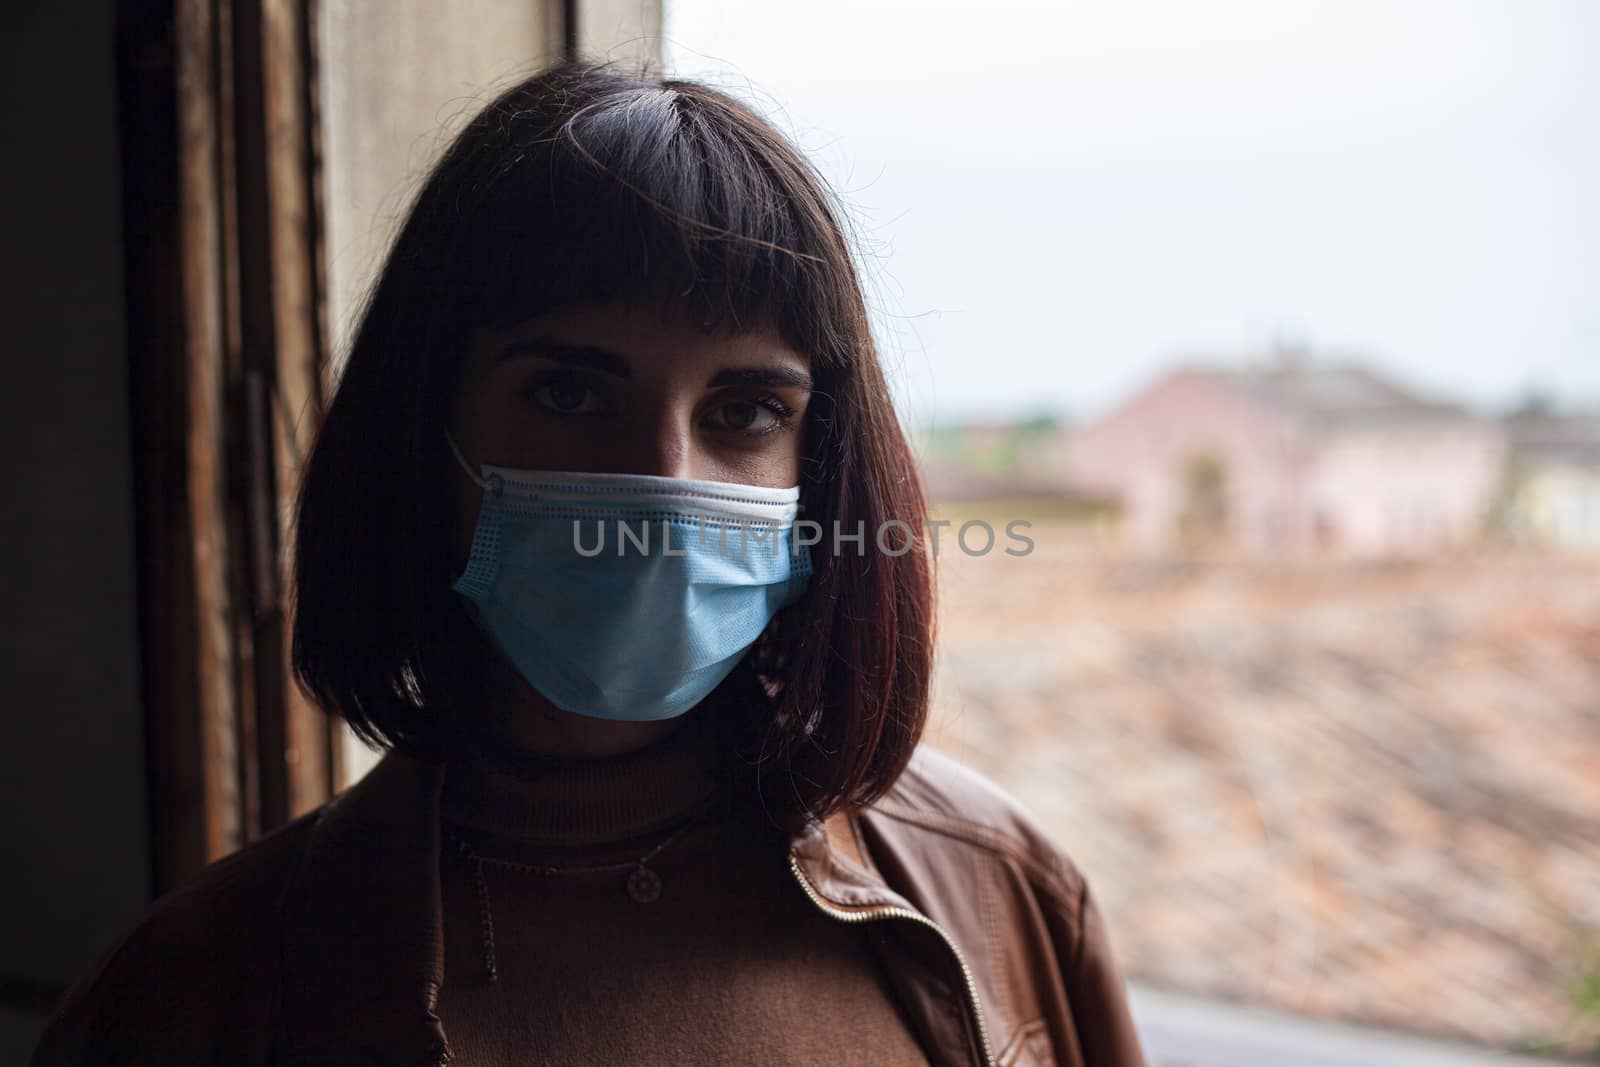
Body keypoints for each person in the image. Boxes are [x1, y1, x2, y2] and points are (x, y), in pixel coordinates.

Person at [31, 61, 1148, 1067]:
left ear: (822, 468)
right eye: (568, 391)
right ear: (426, 432)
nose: (660, 481)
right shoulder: (192, 995)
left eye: (746, 408)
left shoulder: (1000, 885)